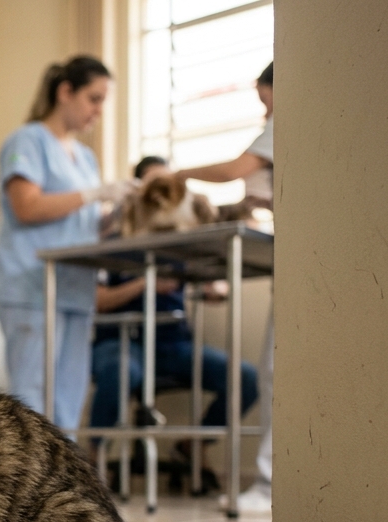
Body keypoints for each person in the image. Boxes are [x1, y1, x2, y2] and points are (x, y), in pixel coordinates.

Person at [89, 156, 260, 484]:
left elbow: (215, 284)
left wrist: (213, 286)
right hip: (122, 340)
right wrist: (144, 283)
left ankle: (193, 445)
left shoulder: (182, 242)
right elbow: (98, 302)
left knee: (245, 378)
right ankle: (94, 456)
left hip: (173, 344)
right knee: (120, 371)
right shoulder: (112, 244)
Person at [0, 56, 134, 429]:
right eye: (94, 98)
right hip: (31, 285)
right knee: (32, 397)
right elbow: (26, 206)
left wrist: (118, 210)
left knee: (69, 395)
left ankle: (65, 483)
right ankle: (30, 486)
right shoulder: (28, 140)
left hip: (75, 289)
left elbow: (86, 227)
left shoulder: (85, 158)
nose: (99, 111)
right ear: (65, 92)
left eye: (104, 102)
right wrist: (94, 194)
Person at [174, 62, 274, 513]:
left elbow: (237, 168)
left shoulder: (289, 122)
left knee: (269, 373)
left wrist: (178, 175)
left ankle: (271, 484)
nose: (263, 109)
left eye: (264, 96)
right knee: (272, 371)